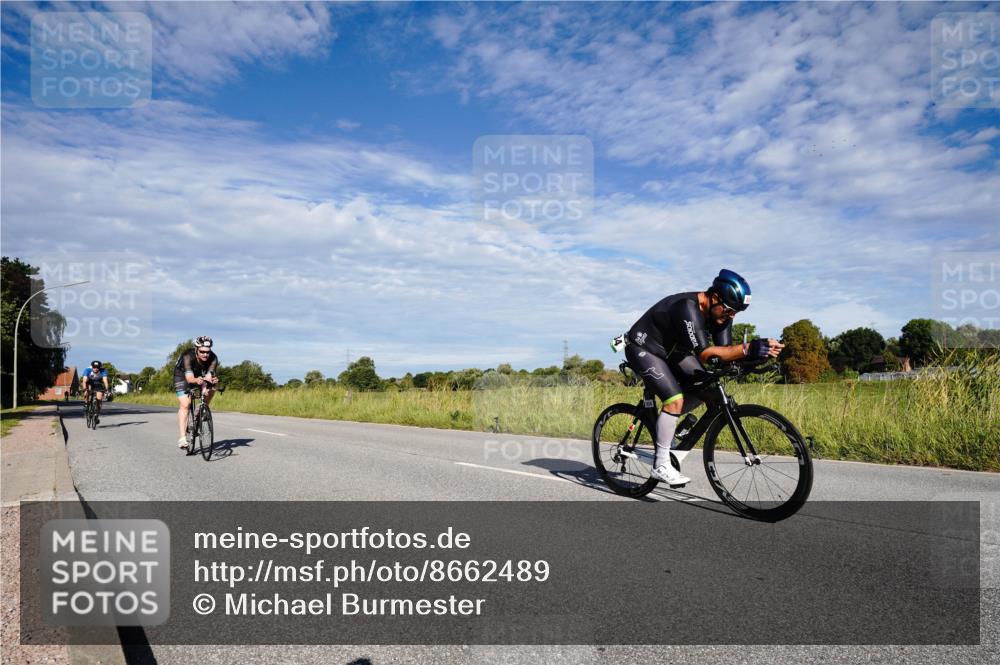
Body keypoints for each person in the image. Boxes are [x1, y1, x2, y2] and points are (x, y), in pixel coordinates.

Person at [623, 269, 783, 486]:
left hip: (674, 352)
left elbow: (724, 354)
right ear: (714, 298)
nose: (732, 316)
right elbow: (707, 354)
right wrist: (748, 348)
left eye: (737, 312)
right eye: (729, 310)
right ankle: (660, 464)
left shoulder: (722, 314)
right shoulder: (687, 308)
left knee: (710, 391)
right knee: (674, 400)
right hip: (644, 348)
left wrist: (757, 354)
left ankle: (672, 436)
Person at [174, 336, 219, 448]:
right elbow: (190, 379)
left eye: (207, 352)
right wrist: (197, 380)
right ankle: (182, 438)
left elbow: (209, 376)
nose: (205, 354)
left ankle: (201, 408)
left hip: (199, 373)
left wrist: (211, 381)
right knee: (186, 404)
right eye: (202, 352)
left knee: (213, 385)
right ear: (196, 349)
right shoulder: (187, 356)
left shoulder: (213, 358)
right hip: (182, 375)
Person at [80, 360, 110, 425]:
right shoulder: (88, 370)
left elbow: (105, 381)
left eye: (97, 367)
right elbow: (84, 381)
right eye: (94, 367)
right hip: (89, 382)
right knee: (86, 392)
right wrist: (85, 389)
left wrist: (107, 389)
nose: (95, 369)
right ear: (92, 367)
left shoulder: (103, 370)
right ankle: (86, 404)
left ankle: (96, 415)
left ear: (99, 367)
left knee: (99, 400)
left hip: (98, 383)